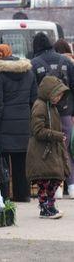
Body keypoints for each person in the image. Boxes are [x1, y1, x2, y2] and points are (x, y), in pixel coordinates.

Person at [0, 44, 37, 202]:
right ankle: (23, 194)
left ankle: (4, 195)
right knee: (21, 161)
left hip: (4, 124)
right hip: (23, 123)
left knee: (2, 162)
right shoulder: (28, 73)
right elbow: (33, 99)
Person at [32, 33, 74, 197]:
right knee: (67, 150)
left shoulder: (34, 63)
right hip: (66, 112)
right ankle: (71, 186)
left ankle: (54, 190)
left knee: (49, 149)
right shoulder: (66, 62)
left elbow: (32, 91)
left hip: (44, 112)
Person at [26, 76, 71, 218]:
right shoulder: (40, 105)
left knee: (56, 178)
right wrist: (57, 135)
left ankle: (50, 206)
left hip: (51, 150)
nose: (59, 98)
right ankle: (45, 208)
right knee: (44, 181)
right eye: (57, 95)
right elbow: (37, 130)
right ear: (49, 92)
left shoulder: (51, 106)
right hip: (41, 151)